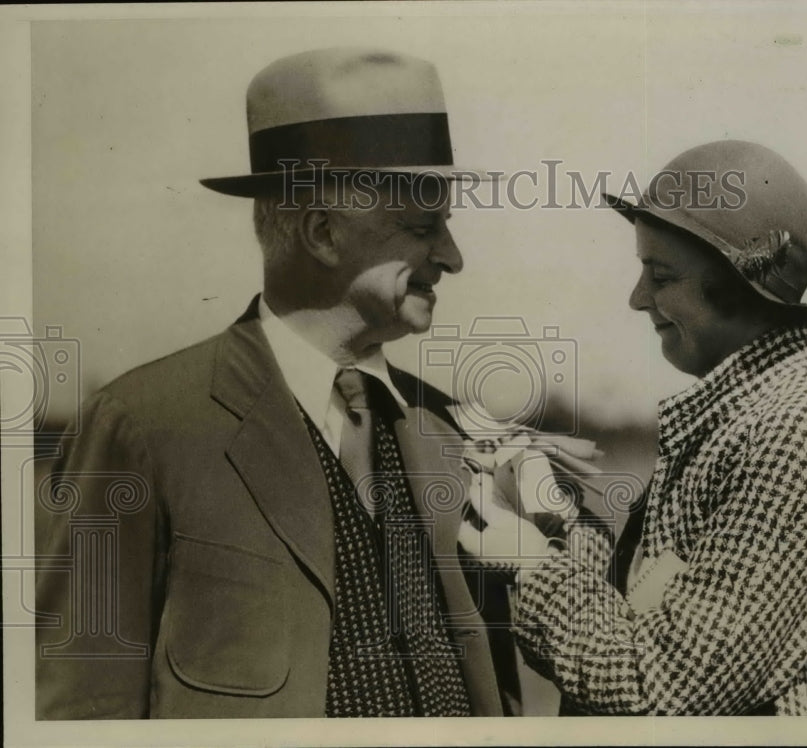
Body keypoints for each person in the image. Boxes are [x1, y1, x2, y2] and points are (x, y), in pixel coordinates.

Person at [35, 48, 554, 719]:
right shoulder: (145, 425)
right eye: (425, 227)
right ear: (322, 232)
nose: (453, 256)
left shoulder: (453, 428)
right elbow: (82, 710)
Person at [459, 140, 807, 715]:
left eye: (661, 275)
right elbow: (663, 604)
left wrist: (530, 564)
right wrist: (558, 529)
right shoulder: (742, 419)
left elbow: (667, 689)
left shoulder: (795, 430)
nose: (636, 298)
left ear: (739, 282)